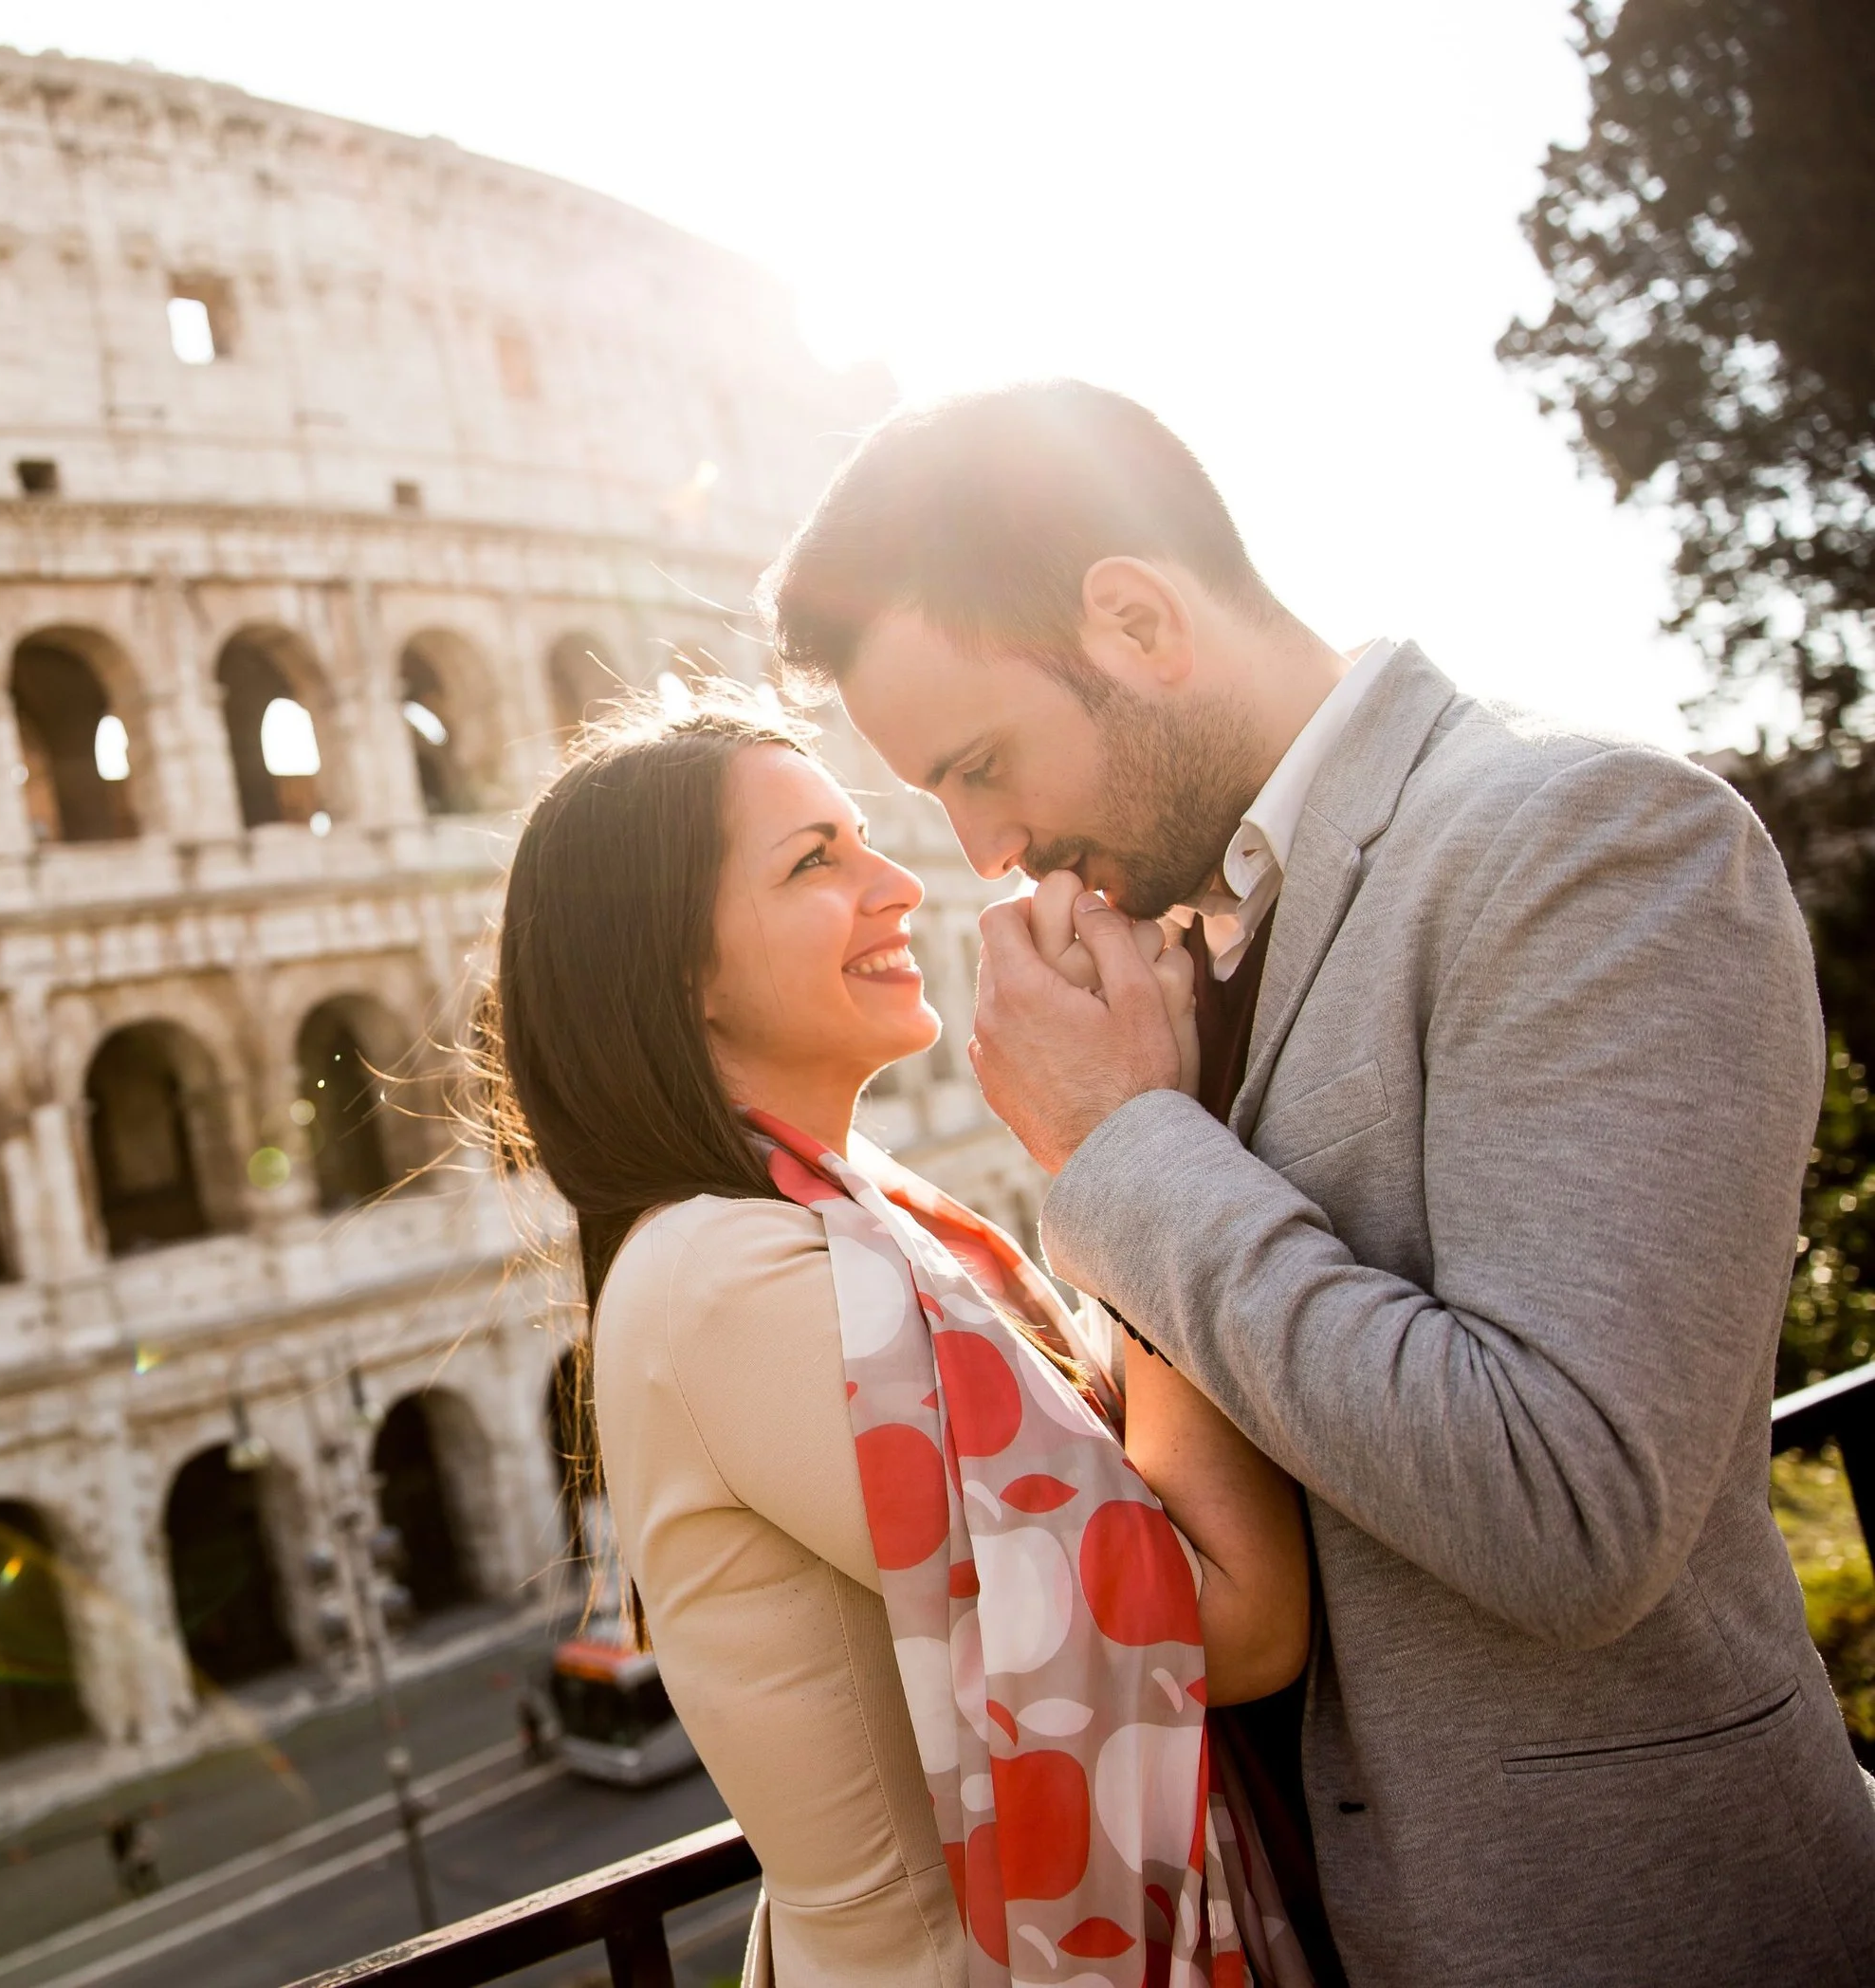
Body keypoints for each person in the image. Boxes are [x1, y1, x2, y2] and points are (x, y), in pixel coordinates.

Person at [763, 378, 1875, 1984]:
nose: (986, 847)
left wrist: (1123, 1149)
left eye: (984, 762)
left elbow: (1575, 1514)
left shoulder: (1595, 841)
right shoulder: (1167, 950)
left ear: (1139, 621)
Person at [483, 689, 1318, 1984]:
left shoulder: (842, 1221)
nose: (898, 887)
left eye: (862, 840)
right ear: (676, 971)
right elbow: (1231, 1622)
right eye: (817, 861)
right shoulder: (726, 1278)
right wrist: (1135, 1143)